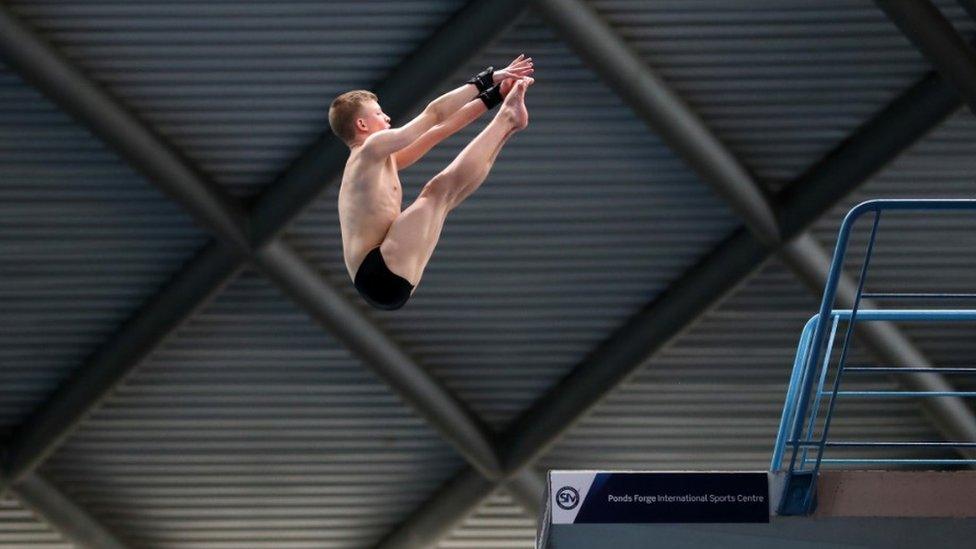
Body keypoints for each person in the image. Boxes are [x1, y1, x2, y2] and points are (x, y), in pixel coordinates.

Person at [328, 55, 534, 310]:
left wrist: (493, 97)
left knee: (447, 195)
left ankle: (508, 123)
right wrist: (486, 80)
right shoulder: (369, 148)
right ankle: (507, 120)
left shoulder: (381, 161)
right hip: (378, 271)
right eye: (379, 114)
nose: (388, 118)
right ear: (362, 124)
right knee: (437, 191)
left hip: (387, 278)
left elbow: (439, 130)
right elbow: (433, 114)